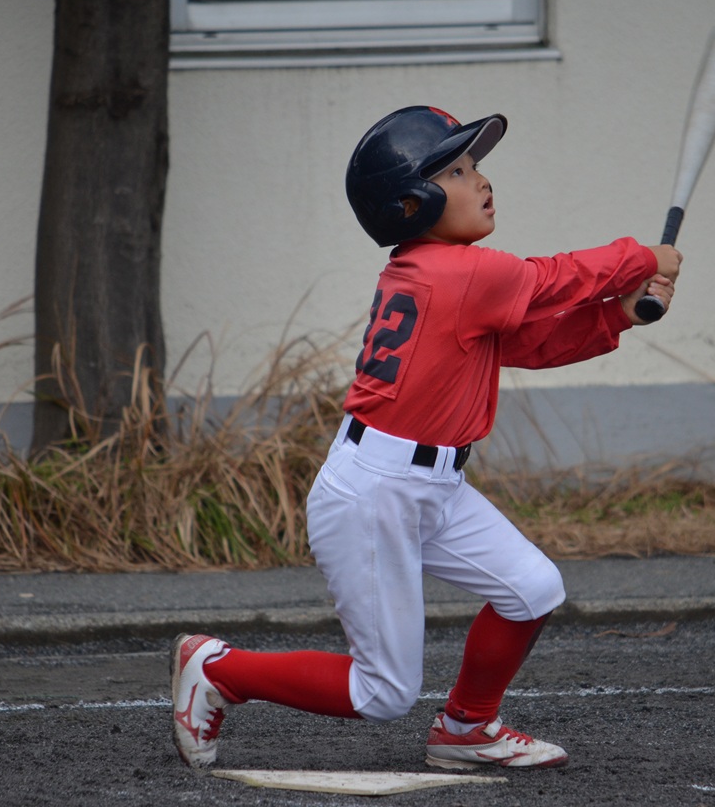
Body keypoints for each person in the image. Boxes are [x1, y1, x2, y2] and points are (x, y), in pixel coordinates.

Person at [172, 105, 681, 771]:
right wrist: (646, 258)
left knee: (532, 589)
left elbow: (532, 342)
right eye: (461, 170)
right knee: (380, 692)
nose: (482, 181)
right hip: (377, 492)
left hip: (430, 484)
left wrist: (620, 315)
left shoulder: (444, 274)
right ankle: (220, 669)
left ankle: (466, 729)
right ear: (413, 202)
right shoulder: (459, 273)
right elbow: (557, 277)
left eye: (475, 167)